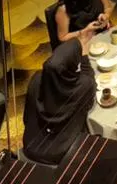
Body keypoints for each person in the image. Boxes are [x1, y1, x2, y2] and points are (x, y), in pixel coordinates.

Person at [22, 31, 97, 166]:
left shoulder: (37, 79)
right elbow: (90, 94)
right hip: (61, 154)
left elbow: (26, 118)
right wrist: (84, 57)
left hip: (30, 147)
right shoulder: (83, 85)